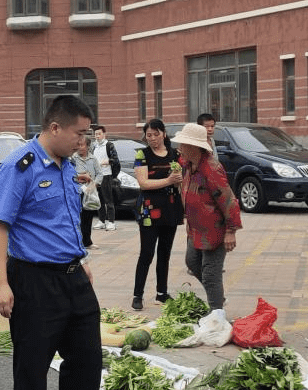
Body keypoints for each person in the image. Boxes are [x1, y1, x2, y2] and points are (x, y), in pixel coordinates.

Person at [0, 95, 103, 390]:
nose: (82, 142)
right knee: (32, 368)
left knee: (87, 360)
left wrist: (82, 259)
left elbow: (66, 220)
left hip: (73, 275)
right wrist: (0, 283)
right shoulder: (19, 167)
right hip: (34, 280)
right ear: (55, 127)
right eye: (78, 133)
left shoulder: (67, 165)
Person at [174, 122, 240, 318]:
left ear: (195, 147)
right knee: (192, 261)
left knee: (211, 273)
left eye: (183, 145)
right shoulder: (188, 165)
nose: (180, 149)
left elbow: (228, 200)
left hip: (215, 229)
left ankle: (216, 314)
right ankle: (217, 297)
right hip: (196, 228)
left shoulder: (211, 169)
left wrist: (231, 231)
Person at [130, 118, 184, 311]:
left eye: (155, 134)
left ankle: (162, 293)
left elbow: (179, 182)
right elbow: (143, 183)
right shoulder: (142, 154)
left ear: (164, 133)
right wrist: (169, 180)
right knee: (146, 253)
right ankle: (138, 295)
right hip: (149, 210)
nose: (152, 138)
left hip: (170, 207)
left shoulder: (175, 154)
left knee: (165, 253)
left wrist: (177, 180)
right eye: (148, 135)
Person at [71, 134, 101, 250]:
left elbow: (100, 174)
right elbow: (70, 174)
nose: (79, 147)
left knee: (88, 218)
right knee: (77, 218)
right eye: (78, 144)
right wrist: (80, 176)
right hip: (77, 192)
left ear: (88, 146)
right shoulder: (73, 158)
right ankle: (76, 243)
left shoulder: (93, 159)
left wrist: (94, 184)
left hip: (90, 192)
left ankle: (87, 242)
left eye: (82, 145)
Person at [90, 125, 120, 231]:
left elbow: (115, 159)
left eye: (99, 134)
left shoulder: (109, 145)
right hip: (96, 177)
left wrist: (108, 161)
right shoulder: (94, 146)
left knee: (108, 199)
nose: (97, 136)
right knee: (99, 200)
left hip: (106, 175)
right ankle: (101, 221)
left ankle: (111, 222)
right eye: (96, 134)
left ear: (104, 134)